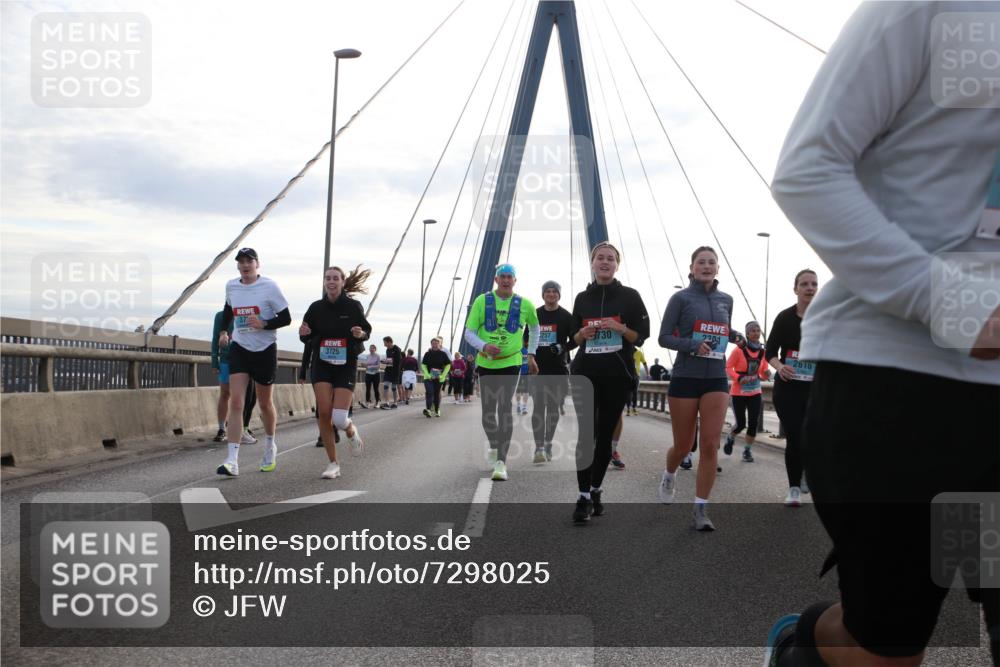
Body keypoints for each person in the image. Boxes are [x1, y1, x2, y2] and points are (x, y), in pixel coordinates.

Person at [765, 2, 1000, 664]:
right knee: (887, 643)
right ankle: (805, 645)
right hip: (900, 383)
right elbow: (807, 168)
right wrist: (953, 306)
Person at [657, 246, 743, 530]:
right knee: (683, 446)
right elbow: (664, 337)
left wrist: (734, 336)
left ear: (718, 268)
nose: (706, 266)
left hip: (716, 378)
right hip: (685, 377)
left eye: (711, 262)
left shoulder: (726, 300)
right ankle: (669, 474)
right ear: (692, 268)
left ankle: (700, 509)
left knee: (709, 445)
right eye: (701, 262)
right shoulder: (680, 298)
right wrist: (693, 345)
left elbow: (720, 330)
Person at [569, 242, 649, 522]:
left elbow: (642, 335)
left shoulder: (630, 296)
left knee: (604, 436)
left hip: (617, 375)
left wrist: (621, 328)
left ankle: (595, 489)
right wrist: (582, 333)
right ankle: (582, 497)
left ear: (617, 265)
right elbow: (571, 340)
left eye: (610, 259)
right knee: (585, 434)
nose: (605, 262)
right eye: (600, 258)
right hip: (585, 374)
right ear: (592, 263)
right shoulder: (581, 299)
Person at [215, 248, 291, 476]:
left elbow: (286, 318)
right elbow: (228, 310)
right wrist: (223, 332)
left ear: (257, 264)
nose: (245, 265)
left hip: (265, 349)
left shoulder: (269, 286)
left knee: (264, 403)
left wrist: (264, 323)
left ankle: (270, 445)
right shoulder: (232, 286)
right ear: (237, 266)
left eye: (249, 261)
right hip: (240, 348)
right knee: (236, 402)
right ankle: (232, 460)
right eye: (241, 262)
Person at [464, 263, 540, 482]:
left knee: (504, 406)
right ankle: (495, 447)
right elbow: (469, 332)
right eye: (502, 276)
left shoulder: (525, 304)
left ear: (515, 280)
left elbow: (534, 328)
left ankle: (501, 463)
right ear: (496, 280)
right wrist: (483, 346)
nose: (506, 280)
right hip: (487, 363)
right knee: (488, 411)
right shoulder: (482, 301)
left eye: (510, 277)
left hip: (511, 362)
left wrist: (531, 354)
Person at [299, 265, 372, 479]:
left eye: (335, 278)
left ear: (342, 282)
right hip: (321, 363)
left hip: (346, 363)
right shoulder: (315, 308)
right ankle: (333, 463)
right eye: (327, 278)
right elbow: (306, 336)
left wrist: (360, 334)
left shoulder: (352, 306)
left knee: (339, 418)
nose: (331, 281)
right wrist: (303, 333)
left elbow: (366, 331)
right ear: (324, 282)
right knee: (323, 412)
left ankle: (350, 431)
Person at [765, 270, 818, 506]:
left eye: (814, 284)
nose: (810, 288)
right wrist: (780, 366)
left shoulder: (825, 317)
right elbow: (769, 353)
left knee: (813, 436)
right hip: (788, 387)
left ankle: (807, 470)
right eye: (804, 284)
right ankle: (794, 488)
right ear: (795, 289)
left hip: (816, 388)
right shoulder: (785, 318)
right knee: (795, 436)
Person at [530, 280, 575, 464]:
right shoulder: (535, 315)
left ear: (559, 295)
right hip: (538, 370)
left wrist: (562, 347)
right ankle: (539, 447)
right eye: (547, 291)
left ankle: (548, 443)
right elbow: (526, 338)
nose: (551, 294)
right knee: (539, 408)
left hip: (558, 370)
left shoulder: (566, 316)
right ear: (543, 295)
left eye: (554, 291)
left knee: (554, 409)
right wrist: (530, 357)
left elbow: (576, 340)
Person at [724, 320, 770, 463]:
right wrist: (739, 377)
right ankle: (731, 437)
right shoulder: (738, 350)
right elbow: (727, 368)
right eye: (753, 331)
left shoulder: (763, 351)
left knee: (753, 423)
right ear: (747, 334)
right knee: (741, 424)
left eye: (758, 330)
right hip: (739, 392)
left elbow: (762, 372)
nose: (756, 333)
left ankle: (747, 451)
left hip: (755, 391)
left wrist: (766, 374)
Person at [211, 309, 257, 445]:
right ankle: (221, 429)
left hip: (246, 359)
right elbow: (215, 337)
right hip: (226, 359)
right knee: (225, 394)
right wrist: (214, 360)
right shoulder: (220, 316)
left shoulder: (247, 312)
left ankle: (243, 428)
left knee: (246, 397)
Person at [421, 337, 450, 418]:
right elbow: (423, 365)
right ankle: (428, 410)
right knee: (429, 393)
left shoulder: (443, 354)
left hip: (439, 378)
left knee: (436, 394)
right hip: (428, 377)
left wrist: (442, 375)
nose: (434, 345)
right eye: (433, 343)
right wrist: (428, 375)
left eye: (436, 343)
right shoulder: (427, 354)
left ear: (439, 344)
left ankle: (437, 410)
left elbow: (448, 365)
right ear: (431, 344)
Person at [381, 336, 403, 409]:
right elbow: (389, 360)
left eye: (385, 342)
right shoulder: (387, 350)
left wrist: (388, 361)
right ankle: (387, 402)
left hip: (395, 371)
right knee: (386, 386)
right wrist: (386, 361)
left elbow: (398, 361)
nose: (384, 344)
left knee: (394, 387)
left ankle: (395, 403)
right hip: (388, 370)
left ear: (389, 342)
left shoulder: (397, 349)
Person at [626, 347, 649, 416]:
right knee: (628, 392)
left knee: (634, 392)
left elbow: (644, 363)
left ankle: (634, 408)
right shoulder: (626, 352)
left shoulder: (639, 353)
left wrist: (647, 373)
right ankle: (628, 408)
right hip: (628, 375)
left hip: (636, 375)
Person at [361, 344, 381, 409]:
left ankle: (377, 402)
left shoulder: (377, 356)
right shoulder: (367, 356)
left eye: (372, 348)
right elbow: (366, 365)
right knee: (368, 389)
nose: (371, 349)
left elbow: (378, 366)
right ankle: (367, 403)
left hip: (376, 374)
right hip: (368, 374)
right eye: (370, 348)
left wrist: (369, 366)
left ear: (375, 349)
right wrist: (365, 365)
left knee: (376, 389)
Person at [515, 344, 530, 414]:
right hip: (519, 373)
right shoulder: (518, 349)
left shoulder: (529, 349)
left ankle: (523, 407)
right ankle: (519, 406)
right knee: (520, 390)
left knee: (525, 390)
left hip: (525, 373)